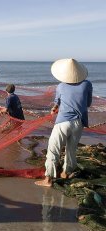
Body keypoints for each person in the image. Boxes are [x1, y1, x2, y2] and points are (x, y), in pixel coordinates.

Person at [35, 58, 92, 187]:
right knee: (71, 149)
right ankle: (66, 172)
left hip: (62, 123)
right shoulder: (87, 84)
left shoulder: (60, 86)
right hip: (79, 122)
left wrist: (55, 108)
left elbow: (57, 102)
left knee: (53, 149)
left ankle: (48, 179)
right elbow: (88, 103)